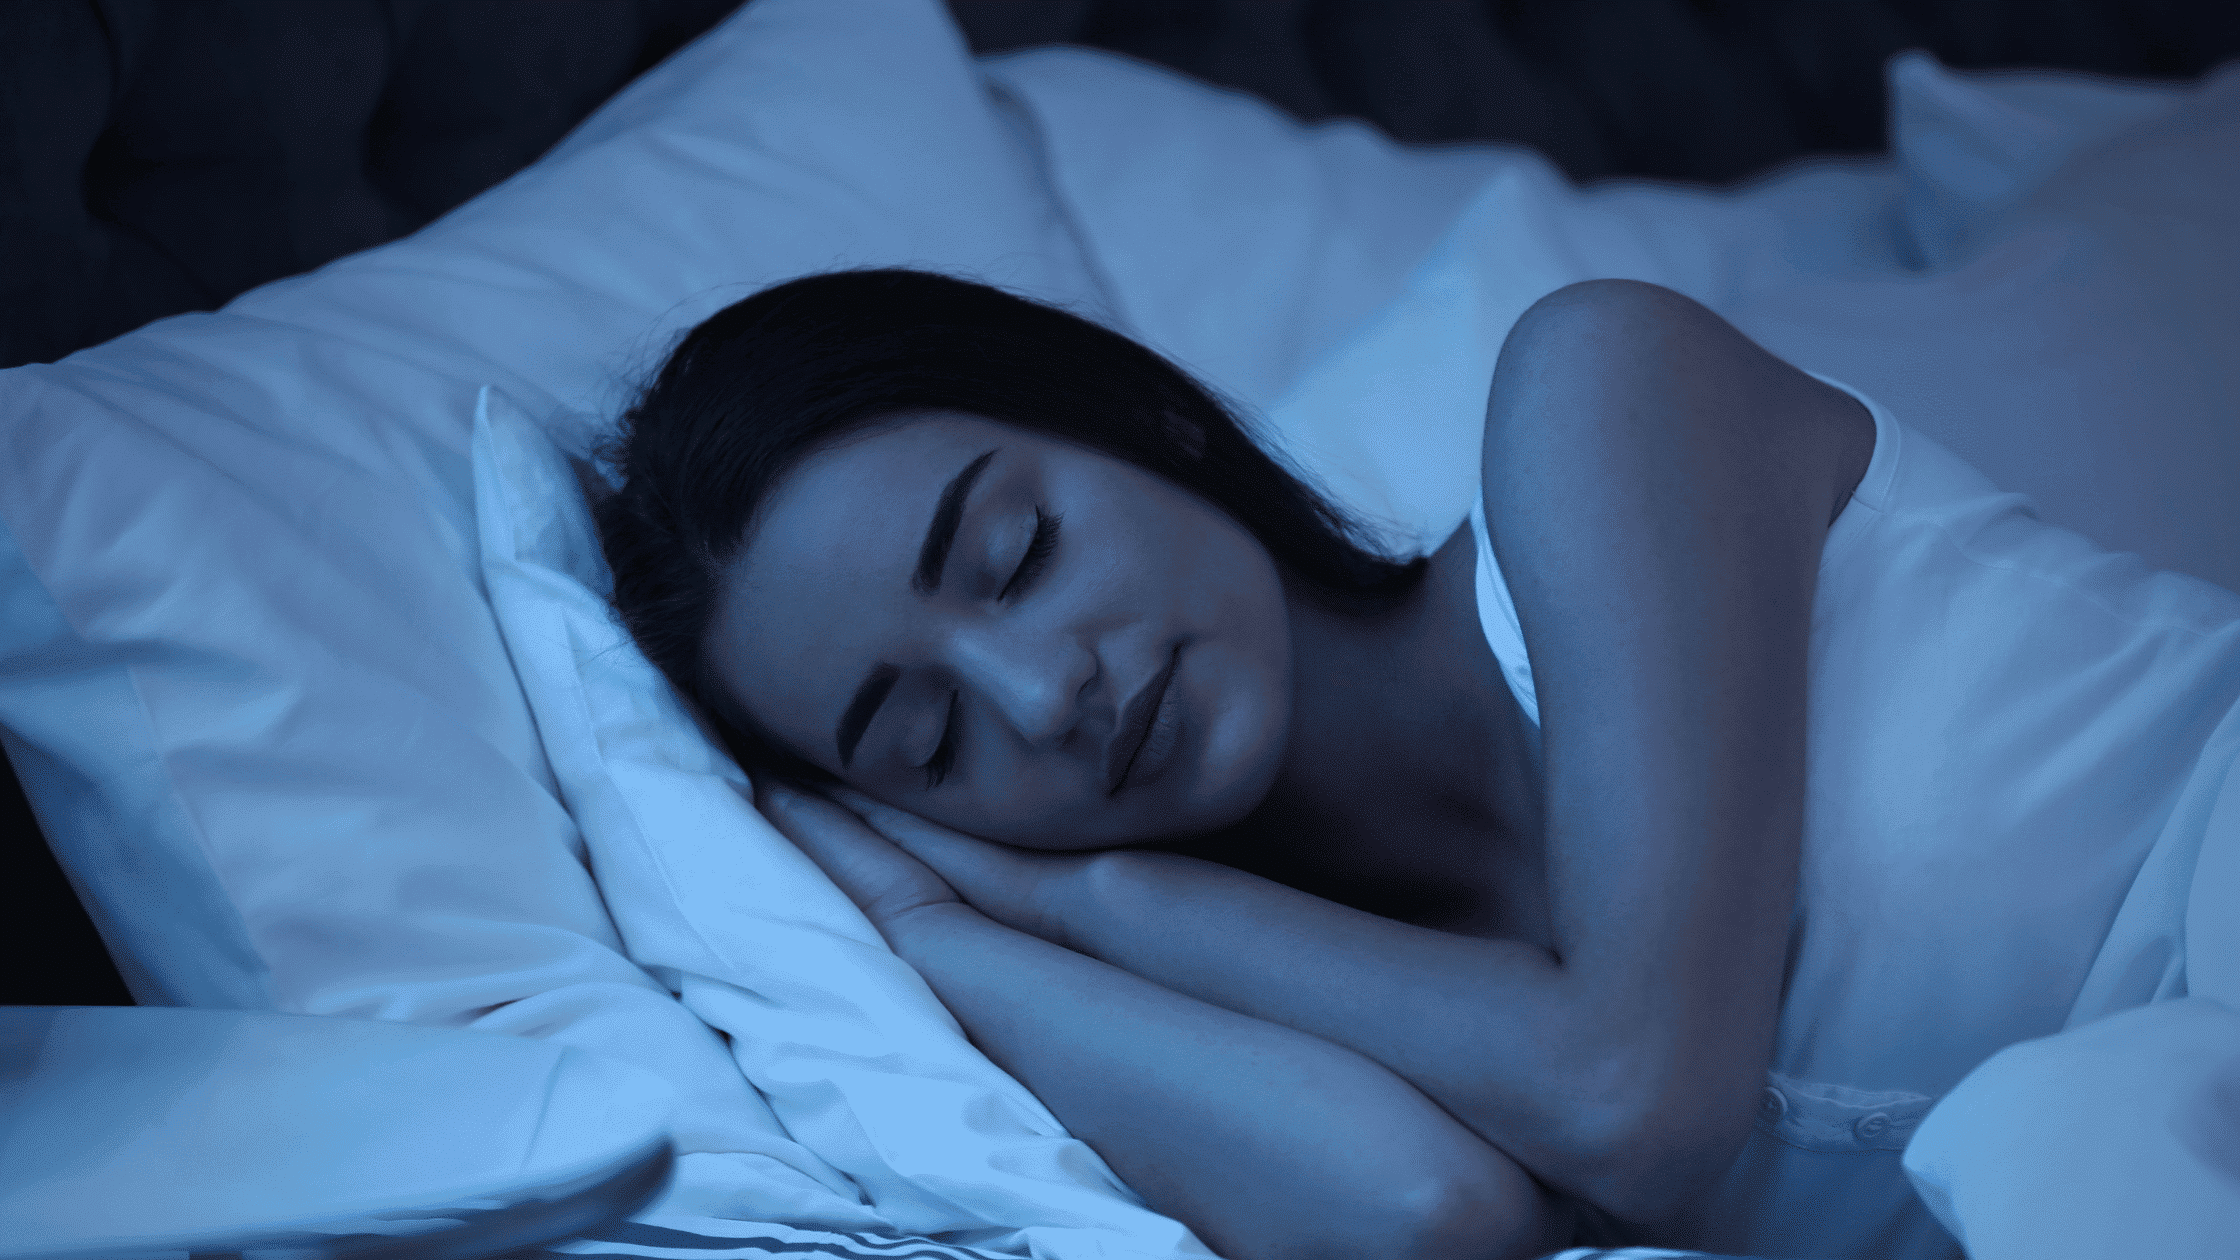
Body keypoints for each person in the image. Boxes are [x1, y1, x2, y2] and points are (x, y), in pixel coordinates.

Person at [594, 268, 2240, 1260]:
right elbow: (1423, 1218)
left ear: (1141, 422)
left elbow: (1639, 1103)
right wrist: (957, 937)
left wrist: (1107, 900)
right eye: (928, 739)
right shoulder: (1325, 1000)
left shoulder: (1600, 391)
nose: (1041, 698)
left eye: (1018, 552)